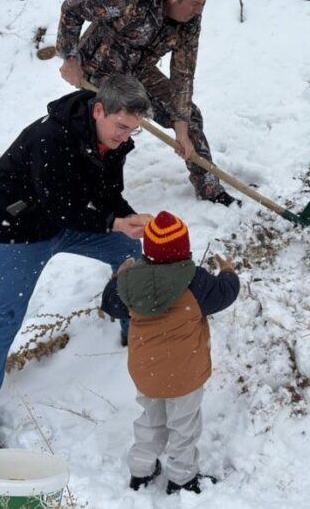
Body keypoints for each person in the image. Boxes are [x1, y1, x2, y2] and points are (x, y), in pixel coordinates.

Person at [0, 75, 155, 452]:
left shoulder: (114, 140)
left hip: (66, 220)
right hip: (16, 228)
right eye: (121, 127)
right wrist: (113, 222)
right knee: (5, 319)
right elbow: (59, 205)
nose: (126, 137)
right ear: (99, 110)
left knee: (129, 251)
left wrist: (129, 219)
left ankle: (134, 329)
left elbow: (108, 192)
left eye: (134, 130)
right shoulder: (51, 138)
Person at [56, 0, 238, 206]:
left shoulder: (189, 22)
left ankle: (208, 188)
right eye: (195, 4)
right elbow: (72, 8)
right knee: (101, 131)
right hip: (99, 71)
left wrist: (181, 128)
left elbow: (183, 74)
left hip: (138, 72)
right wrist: (70, 58)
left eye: (202, 4)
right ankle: (78, 196)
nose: (199, 11)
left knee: (189, 116)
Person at [101, 211, 240, 494]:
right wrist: (228, 271)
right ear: (184, 249)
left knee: (150, 422)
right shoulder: (195, 281)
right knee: (183, 428)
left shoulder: (130, 283)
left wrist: (118, 277)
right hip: (184, 376)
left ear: (148, 250)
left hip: (146, 373)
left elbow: (110, 304)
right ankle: (182, 478)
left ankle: (141, 471)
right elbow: (226, 293)